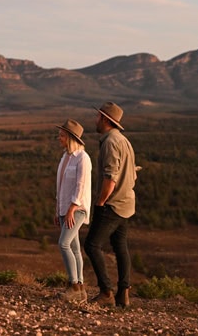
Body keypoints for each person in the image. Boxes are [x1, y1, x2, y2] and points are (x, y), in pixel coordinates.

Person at [84, 102, 139, 307]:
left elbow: (110, 177)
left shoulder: (109, 142)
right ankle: (123, 293)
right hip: (126, 203)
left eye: (97, 117)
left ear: (105, 119)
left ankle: (106, 291)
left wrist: (100, 202)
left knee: (91, 244)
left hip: (112, 204)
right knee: (120, 246)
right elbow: (132, 172)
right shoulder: (124, 140)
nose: (95, 120)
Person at [54, 119, 92, 303]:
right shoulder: (65, 157)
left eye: (62, 135)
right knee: (75, 248)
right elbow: (61, 186)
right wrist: (58, 210)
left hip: (77, 209)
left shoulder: (83, 158)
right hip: (64, 209)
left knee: (64, 244)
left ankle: (74, 285)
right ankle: (81, 289)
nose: (59, 138)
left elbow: (80, 186)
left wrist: (71, 209)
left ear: (70, 138)